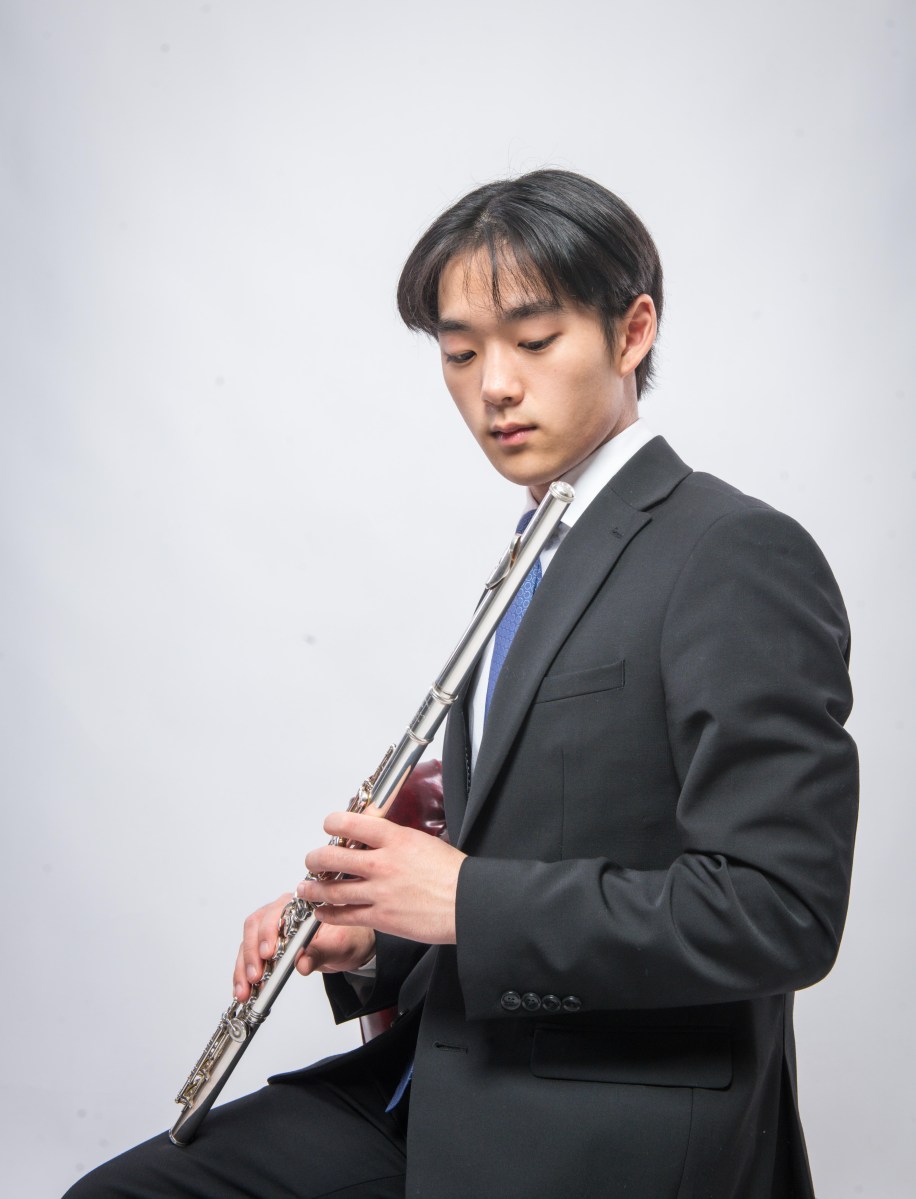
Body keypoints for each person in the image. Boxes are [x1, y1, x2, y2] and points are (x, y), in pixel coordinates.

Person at [65, 169, 858, 1199]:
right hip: (433, 1080)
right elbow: (541, 847)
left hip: (601, 1117)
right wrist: (373, 935)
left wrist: (462, 901)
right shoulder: (543, 548)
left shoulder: (732, 550)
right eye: (458, 351)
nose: (494, 384)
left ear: (631, 333)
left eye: (532, 342)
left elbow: (780, 908)